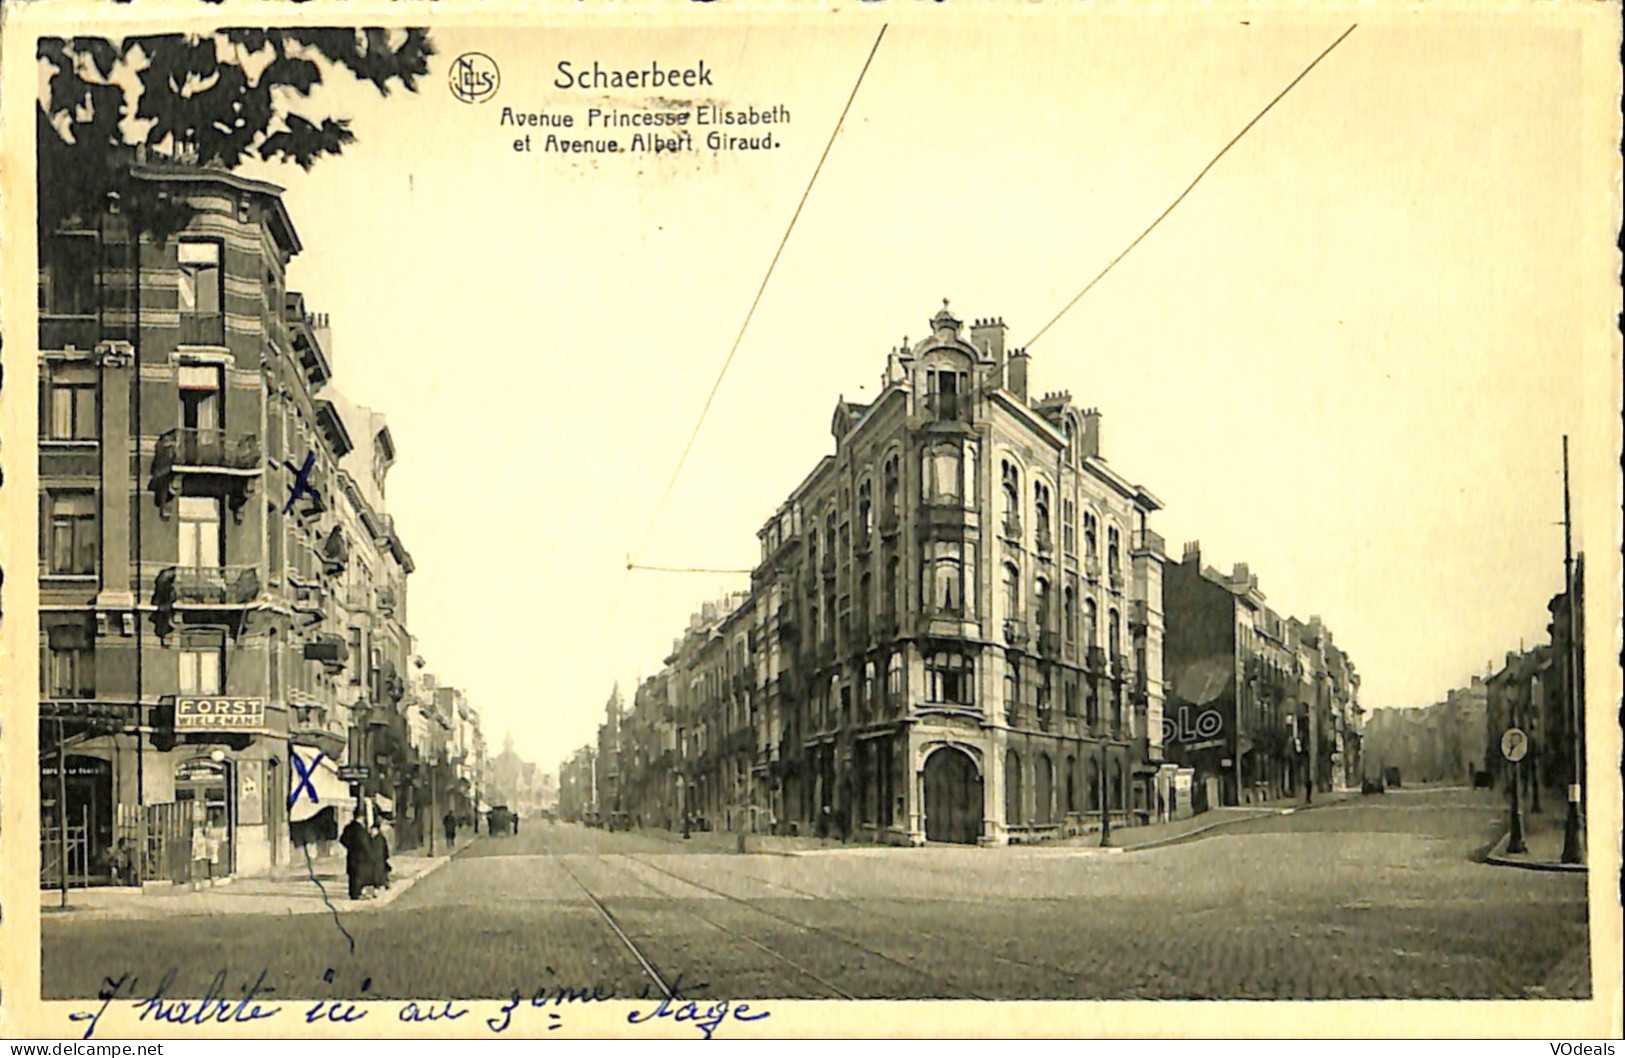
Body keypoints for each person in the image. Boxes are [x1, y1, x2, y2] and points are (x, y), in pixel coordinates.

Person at [340, 810, 370, 900]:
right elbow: (364, 843)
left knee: (352, 874)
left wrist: (350, 847)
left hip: (351, 854)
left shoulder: (348, 827)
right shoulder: (360, 829)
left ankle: (353, 893)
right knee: (358, 874)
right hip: (360, 855)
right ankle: (356, 894)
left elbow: (342, 840)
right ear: (360, 818)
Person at [369, 819, 392, 892]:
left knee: (379, 874)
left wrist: (385, 856)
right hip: (376, 860)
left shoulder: (380, 838)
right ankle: (380, 885)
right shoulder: (375, 838)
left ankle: (381, 885)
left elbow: (385, 849)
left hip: (379, 860)